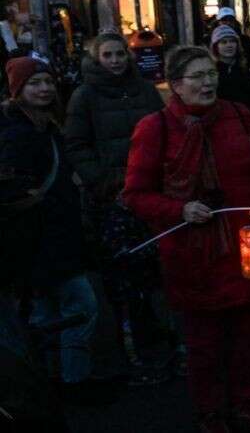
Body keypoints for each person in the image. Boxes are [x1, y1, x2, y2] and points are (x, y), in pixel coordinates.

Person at [123, 46, 250, 432]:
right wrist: (180, 210)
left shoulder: (239, 116)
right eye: (198, 76)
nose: (209, 82)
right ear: (175, 85)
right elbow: (136, 195)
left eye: (211, 73)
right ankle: (210, 411)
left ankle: (244, 402)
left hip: (248, 243)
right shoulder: (155, 128)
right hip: (192, 252)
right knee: (204, 343)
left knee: (248, 335)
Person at [63, 32, 172, 385]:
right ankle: (133, 350)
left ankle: (159, 337)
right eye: (107, 55)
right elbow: (77, 144)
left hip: (149, 192)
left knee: (156, 270)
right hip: (111, 199)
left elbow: (165, 132)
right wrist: (102, 183)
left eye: (119, 54)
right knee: (122, 276)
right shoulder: (85, 95)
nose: (115, 61)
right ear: (97, 59)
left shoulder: (144, 90)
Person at [0, 57, 107, 403]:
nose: (44, 89)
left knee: (46, 312)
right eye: (35, 84)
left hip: (47, 237)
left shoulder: (44, 126)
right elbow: (18, 192)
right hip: (40, 238)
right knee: (81, 305)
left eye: (47, 81)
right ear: (18, 91)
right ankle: (74, 379)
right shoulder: (17, 134)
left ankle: (48, 380)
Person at [211, 25, 250, 116]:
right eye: (223, 42)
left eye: (232, 41)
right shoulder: (211, 74)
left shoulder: (245, 71)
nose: (229, 45)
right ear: (216, 46)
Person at [215, 7, 250, 73]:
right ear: (218, 22)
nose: (228, 23)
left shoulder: (245, 40)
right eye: (224, 20)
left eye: (230, 20)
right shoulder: (210, 40)